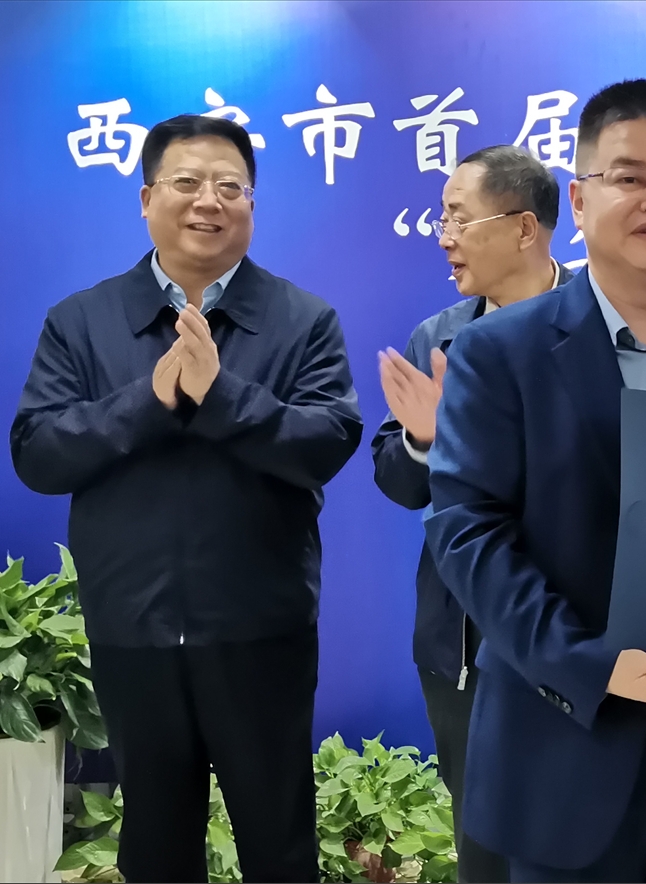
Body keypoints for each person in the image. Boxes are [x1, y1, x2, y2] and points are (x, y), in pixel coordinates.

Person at [422, 79, 646, 883]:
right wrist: (590, 665)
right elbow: (468, 534)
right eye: (630, 177)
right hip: (562, 760)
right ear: (581, 201)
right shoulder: (497, 351)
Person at [11, 115, 361, 883]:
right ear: (147, 199)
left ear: (252, 204)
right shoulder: (81, 320)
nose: (210, 201)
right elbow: (37, 451)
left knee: (279, 844)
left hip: (261, 632)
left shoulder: (303, 321)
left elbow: (327, 442)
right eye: (188, 182)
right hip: (132, 631)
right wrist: (151, 399)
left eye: (231, 186)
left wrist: (220, 395)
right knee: (155, 848)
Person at [371, 144, 571, 884]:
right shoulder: (438, 338)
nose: (445, 237)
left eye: (459, 219)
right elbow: (399, 482)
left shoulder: (604, 325)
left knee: (580, 837)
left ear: (524, 228)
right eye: (442, 219)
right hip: (466, 642)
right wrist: (426, 440)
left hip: (578, 632)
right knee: (482, 844)